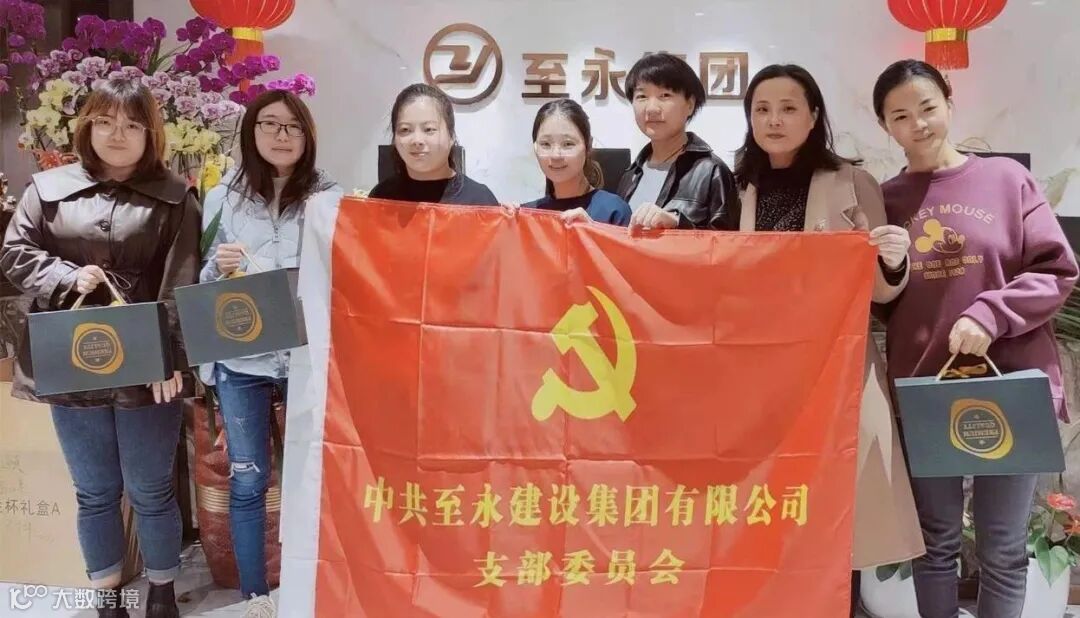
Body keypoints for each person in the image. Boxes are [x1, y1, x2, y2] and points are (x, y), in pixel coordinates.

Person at [874, 58, 1078, 618]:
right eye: (900, 115)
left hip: (1011, 383)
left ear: (948, 102)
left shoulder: (1007, 180)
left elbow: (1057, 270)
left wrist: (991, 314)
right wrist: (886, 266)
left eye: (927, 107)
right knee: (934, 544)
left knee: (1004, 548)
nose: (917, 123)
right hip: (925, 388)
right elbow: (876, 298)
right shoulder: (885, 200)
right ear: (885, 126)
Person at [0, 77, 200, 618]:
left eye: (133, 124)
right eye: (106, 122)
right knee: (93, 490)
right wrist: (67, 276)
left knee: (151, 487)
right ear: (86, 126)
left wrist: (169, 359)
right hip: (71, 357)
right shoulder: (46, 189)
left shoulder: (176, 196)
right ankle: (107, 601)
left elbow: (181, 281)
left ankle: (162, 594)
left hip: (146, 361)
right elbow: (15, 254)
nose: (118, 134)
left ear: (151, 133)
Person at [734, 63, 926, 615]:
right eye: (762, 109)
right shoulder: (739, 186)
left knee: (838, 511)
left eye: (789, 108)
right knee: (769, 511)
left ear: (814, 115)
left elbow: (879, 290)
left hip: (835, 372)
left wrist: (893, 260)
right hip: (759, 379)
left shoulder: (852, 183)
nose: (774, 120)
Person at [200, 89, 341, 618]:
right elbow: (202, 283)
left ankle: (315, 587)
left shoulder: (329, 198)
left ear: (307, 136)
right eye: (270, 125)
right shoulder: (221, 198)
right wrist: (219, 267)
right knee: (249, 478)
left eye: (292, 126)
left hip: (306, 356)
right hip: (244, 360)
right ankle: (254, 596)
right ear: (251, 132)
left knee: (315, 474)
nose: (282, 136)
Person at [614, 52, 739, 230]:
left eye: (665, 95)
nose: (652, 108)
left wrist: (678, 224)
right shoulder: (631, 173)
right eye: (642, 96)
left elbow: (728, 242)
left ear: (690, 104)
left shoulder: (712, 171)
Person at [368, 83, 499, 205]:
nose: (417, 140)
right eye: (405, 130)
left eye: (429, 129)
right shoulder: (380, 198)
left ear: (451, 136)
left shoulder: (480, 201)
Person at [524, 99, 631, 226]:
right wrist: (508, 222)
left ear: (588, 145)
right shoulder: (527, 215)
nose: (556, 155)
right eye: (546, 144)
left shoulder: (614, 211)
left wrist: (592, 231)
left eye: (568, 144)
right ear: (535, 147)